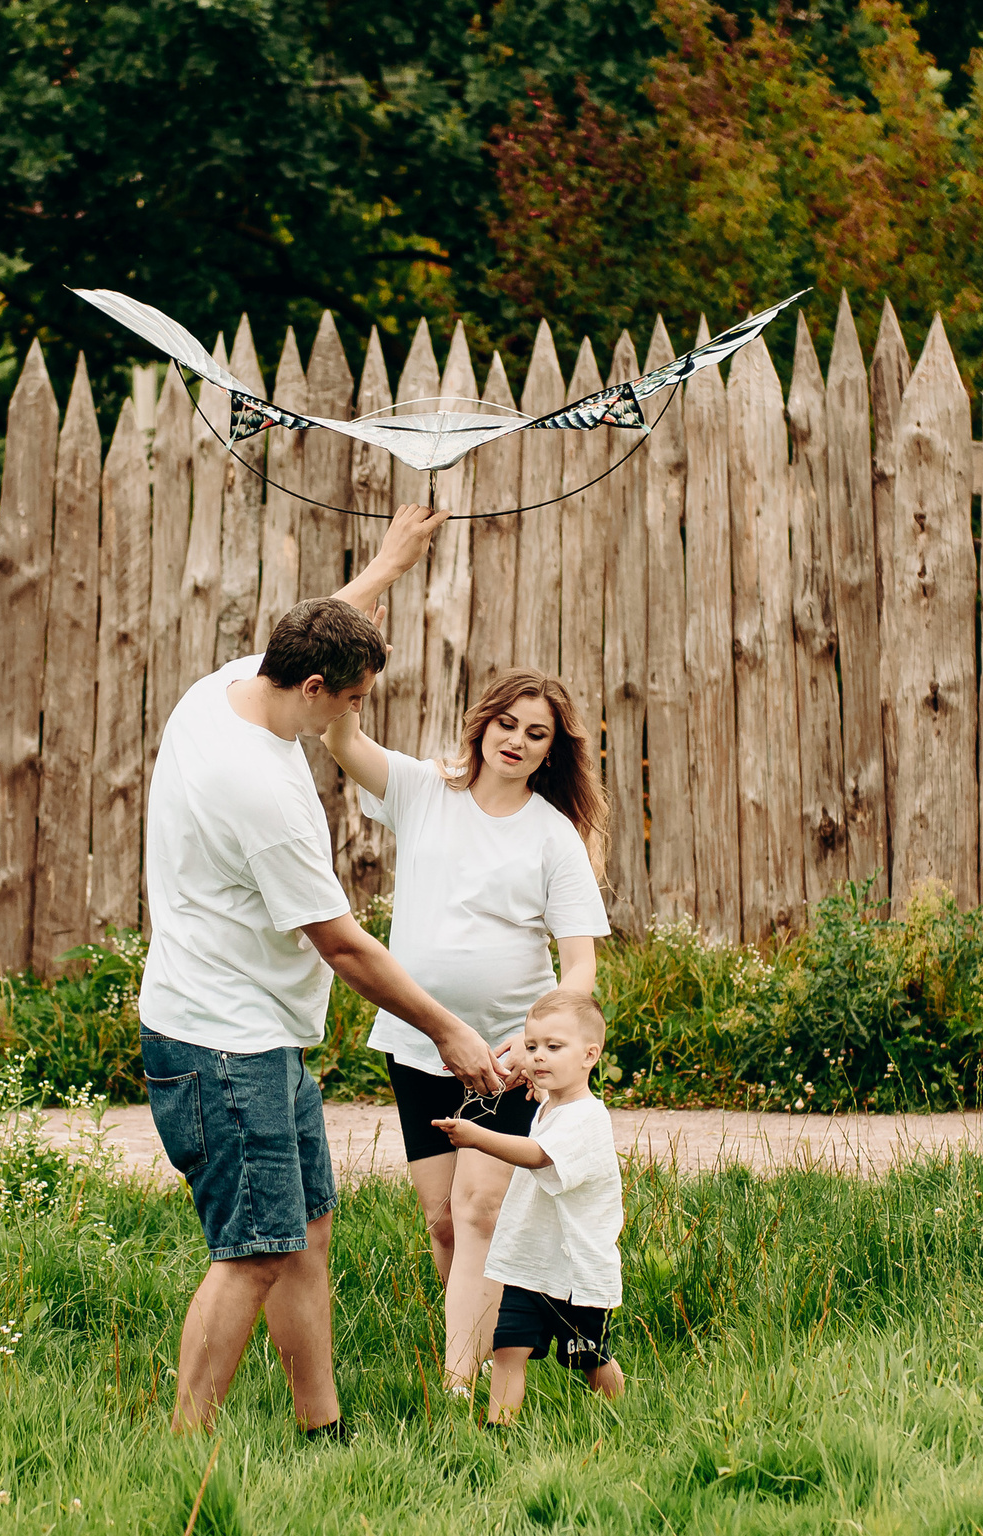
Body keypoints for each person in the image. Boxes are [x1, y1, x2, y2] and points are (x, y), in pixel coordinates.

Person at [140, 503, 505, 1437]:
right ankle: (181, 1448)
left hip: (253, 1031)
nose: (352, 714)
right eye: (350, 699)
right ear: (313, 688)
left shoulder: (226, 688)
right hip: (224, 1043)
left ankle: (323, 1428)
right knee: (254, 1248)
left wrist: (387, 563)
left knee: (304, 1229)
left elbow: (320, 622)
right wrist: (448, 1030)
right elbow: (342, 945)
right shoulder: (263, 791)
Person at [321, 666, 608, 1394]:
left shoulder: (554, 837)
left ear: (550, 751)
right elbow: (341, 740)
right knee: (445, 1221)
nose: (517, 741)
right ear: (483, 723)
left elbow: (579, 966)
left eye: (536, 734)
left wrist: (533, 1044)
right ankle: (504, 1341)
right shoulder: (424, 791)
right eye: (507, 723)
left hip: (508, 1057)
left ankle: (459, 1386)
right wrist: (358, 666)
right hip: (418, 1043)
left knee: (481, 1208)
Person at [433, 989, 625, 1423]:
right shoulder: (552, 1106)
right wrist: (540, 1095)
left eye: (554, 1047)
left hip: (574, 1273)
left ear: (590, 1056)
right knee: (507, 1349)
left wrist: (477, 1136)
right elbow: (546, 1119)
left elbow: (538, 1155)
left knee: (588, 1357)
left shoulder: (587, 1118)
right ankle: (499, 1428)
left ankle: (622, 1412)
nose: (538, 1056)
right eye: (533, 1045)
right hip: (530, 1266)